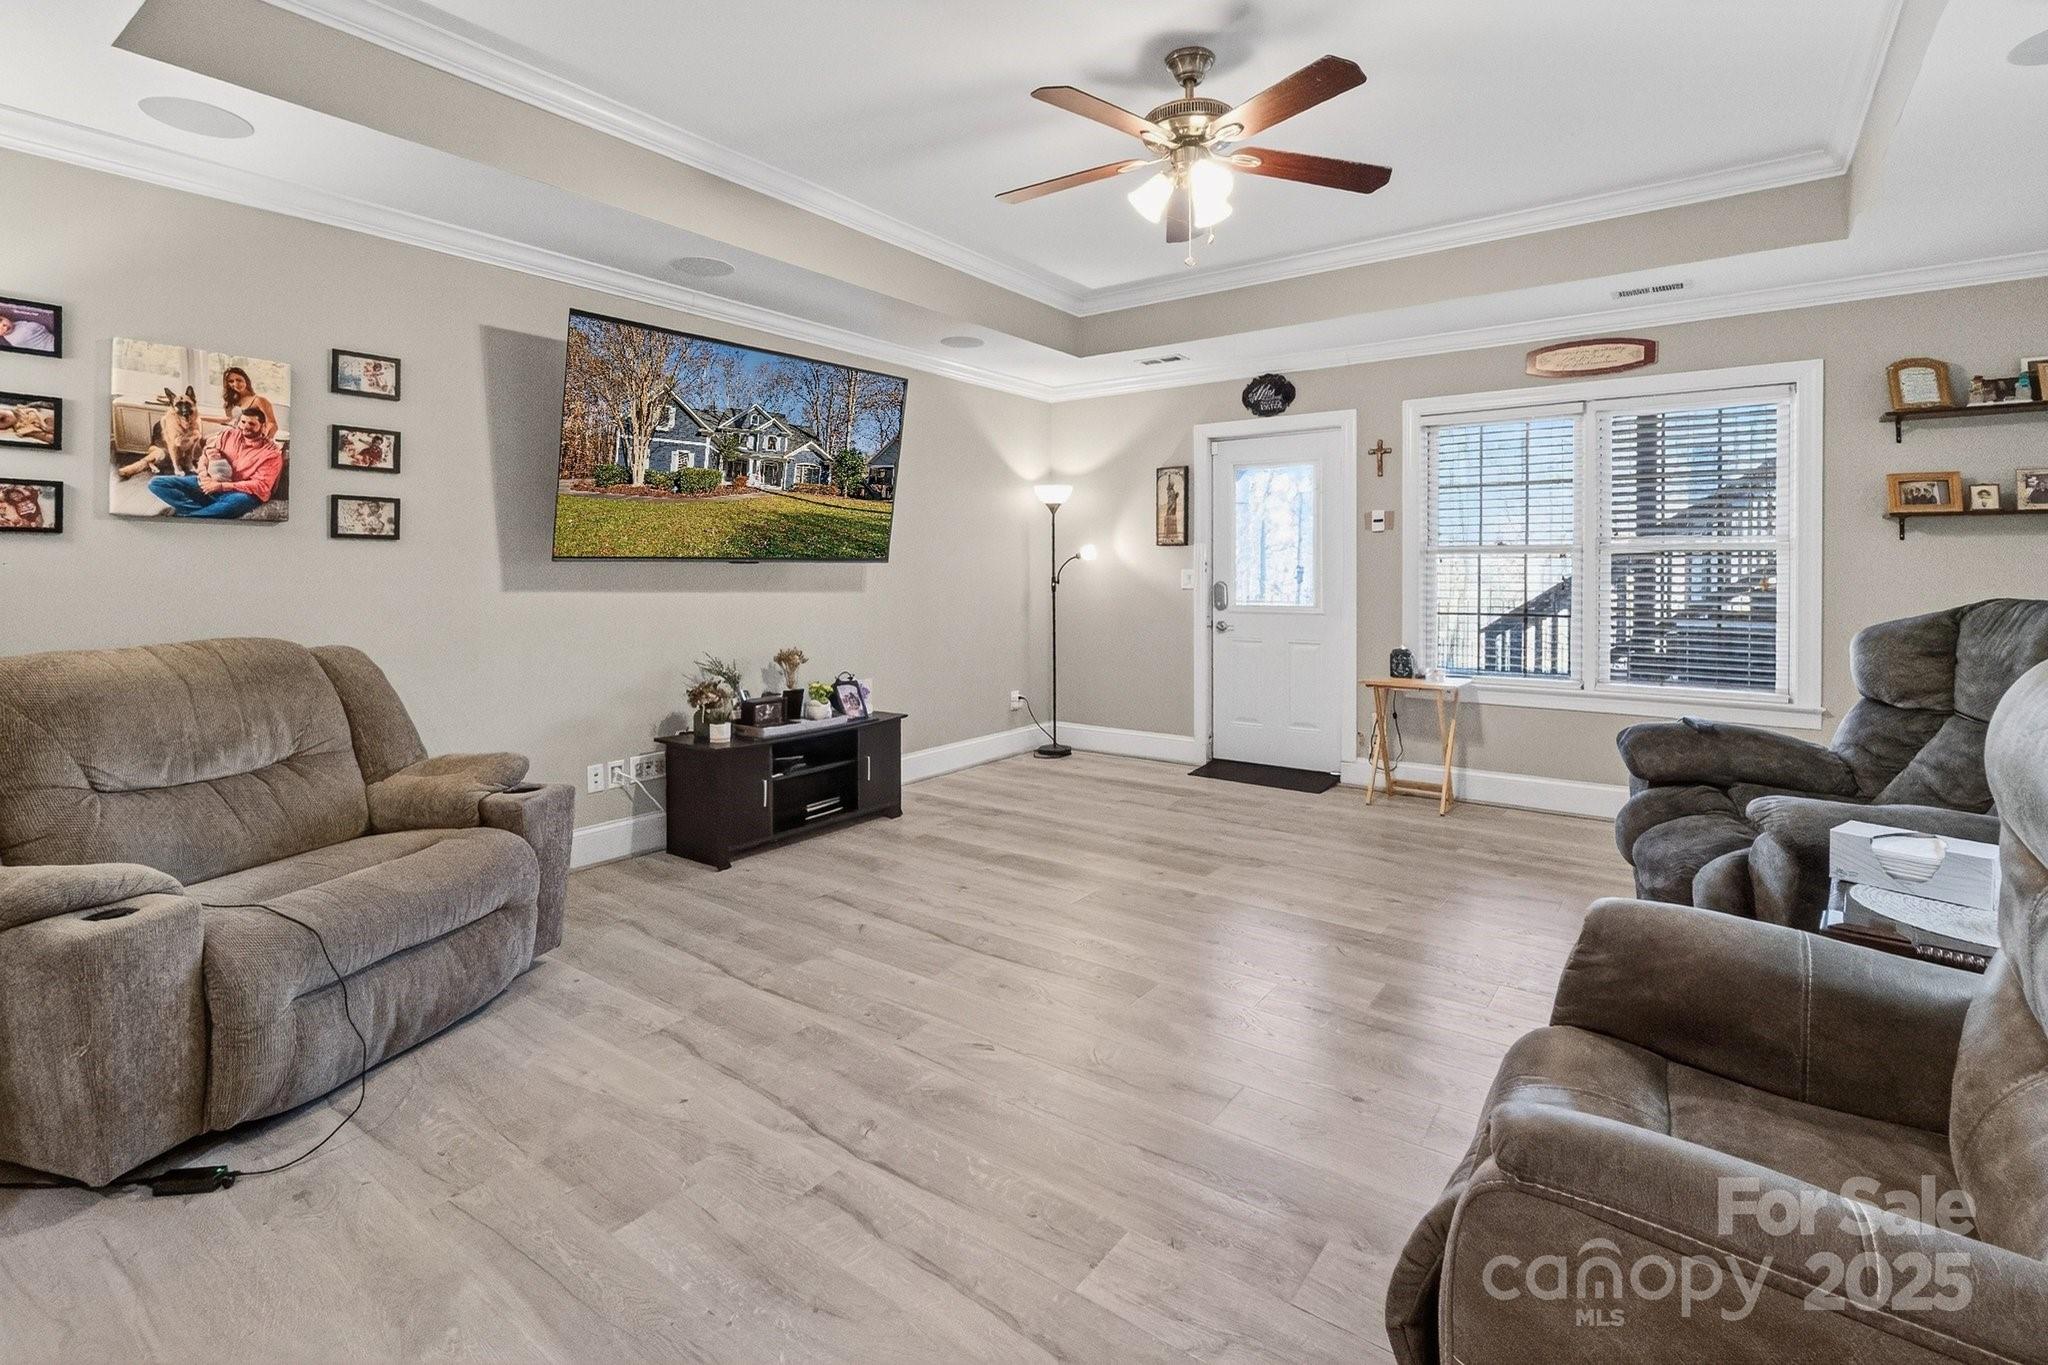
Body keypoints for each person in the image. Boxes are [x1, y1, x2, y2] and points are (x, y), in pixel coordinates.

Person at [147, 406, 283, 519]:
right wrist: (204, 477)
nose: (245, 427)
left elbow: (260, 485)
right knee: (156, 483)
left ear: (263, 426)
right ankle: (204, 512)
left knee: (238, 502)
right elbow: (206, 455)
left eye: (252, 424)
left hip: (240, 492)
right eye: (243, 422)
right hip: (211, 483)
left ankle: (190, 518)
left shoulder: (271, 453)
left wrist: (221, 486)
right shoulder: (228, 434)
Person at [220, 365, 278, 438]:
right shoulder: (233, 400)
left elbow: (272, 423)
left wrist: (264, 438)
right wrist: (201, 417)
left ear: (245, 379)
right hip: (234, 435)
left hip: (251, 437)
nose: (235, 384)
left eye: (239, 380)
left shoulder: (259, 400)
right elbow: (228, 419)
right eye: (231, 381)